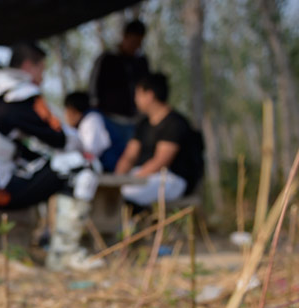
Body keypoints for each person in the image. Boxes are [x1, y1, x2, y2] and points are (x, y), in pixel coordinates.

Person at [0, 42, 101, 270]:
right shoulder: (21, 95)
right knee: (82, 167)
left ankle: (61, 249)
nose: (42, 78)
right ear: (28, 66)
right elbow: (60, 137)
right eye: (42, 70)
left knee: (63, 164)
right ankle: (64, 254)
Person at [115, 72, 204, 207]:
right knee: (111, 193)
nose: (135, 99)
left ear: (149, 95)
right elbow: (129, 156)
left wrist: (132, 181)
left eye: (138, 94)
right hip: (142, 175)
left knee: (128, 194)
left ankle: (132, 223)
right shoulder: (143, 124)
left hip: (171, 179)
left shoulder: (175, 123)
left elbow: (161, 161)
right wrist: (116, 180)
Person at [88, 20, 149, 149]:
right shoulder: (107, 59)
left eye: (139, 43)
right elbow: (94, 88)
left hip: (135, 120)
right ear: (125, 37)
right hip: (110, 119)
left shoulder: (141, 62)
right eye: (133, 42)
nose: (135, 47)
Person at [64, 91, 133, 173]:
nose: (66, 115)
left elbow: (90, 152)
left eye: (66, 110)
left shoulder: (91, 120)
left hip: (113, 169)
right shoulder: (87, 120)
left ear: (73, 110)